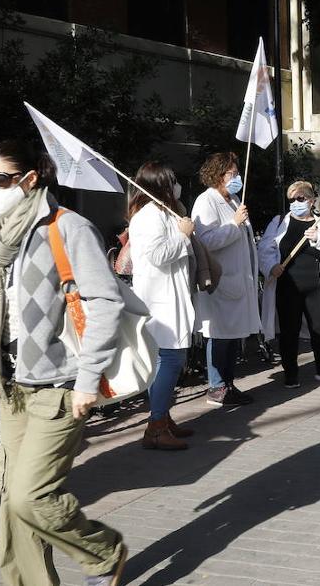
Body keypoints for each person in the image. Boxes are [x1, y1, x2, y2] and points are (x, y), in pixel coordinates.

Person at [0, 139, 126, 586]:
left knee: (30, 497)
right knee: (11, 497)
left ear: (30, 179)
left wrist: (90, 379)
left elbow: (106, 302)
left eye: (0, 179)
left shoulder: (67, 227)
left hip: (60, 383)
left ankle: (102, 553)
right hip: (10, 385)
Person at [127, 161, 196, 450]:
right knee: (169, 360)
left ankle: (162, 418)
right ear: (160, 185)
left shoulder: (163, 212)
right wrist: (183, 234)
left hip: (170, 297)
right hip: (160, 301)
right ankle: (155, 425)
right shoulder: (148, 216)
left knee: (169, 360)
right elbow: (157, 255)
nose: (177, 186)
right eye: (172, 181)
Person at [258, 180, 320, 388]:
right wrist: (272, 266)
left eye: (300, 198)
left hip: (315, 286)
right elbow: (265, 247)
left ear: (311, 200)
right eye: (292, 199)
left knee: (319, 327)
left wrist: (319, 238)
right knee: (289, 330)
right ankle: (290, 373)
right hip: (288, 286)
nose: (295, 203)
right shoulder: (279, 221)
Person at [191, 152, 260, 407]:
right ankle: (217, 386)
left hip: (238, 280)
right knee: (219, 335)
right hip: (221, 282)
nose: (237, 177)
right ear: (218, 175)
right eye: (232, 173)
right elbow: (206, 241)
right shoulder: (206, 201)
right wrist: (234, 223)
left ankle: (228, 385)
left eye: (237, 172)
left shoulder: (233, 199)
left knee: (232, 336)